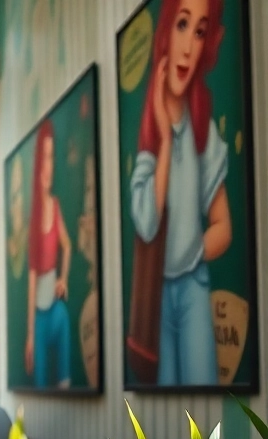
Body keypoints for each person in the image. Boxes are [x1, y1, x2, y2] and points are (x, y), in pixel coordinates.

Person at [128, 0, 230, 387]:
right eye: (183, 25)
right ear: (165, 34)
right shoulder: (149, 144)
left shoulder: (204, 131)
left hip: (192, 288)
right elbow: (148, 223)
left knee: (203, 402)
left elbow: (224, 226)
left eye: (200, 31)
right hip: (157, 304)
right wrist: (166, 142)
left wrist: (191, 252)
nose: (188, 45)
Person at [24, 120, 75, 388]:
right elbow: (32, 282)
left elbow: (67, 245)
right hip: (40, 317)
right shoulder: (33, 219)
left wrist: (63, 278)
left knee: (64, 380)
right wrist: (31, 335)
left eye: (51, 157)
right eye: (44, 158)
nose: (48, 167)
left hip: (56, 310)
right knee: (42, 382)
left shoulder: (55, 206)